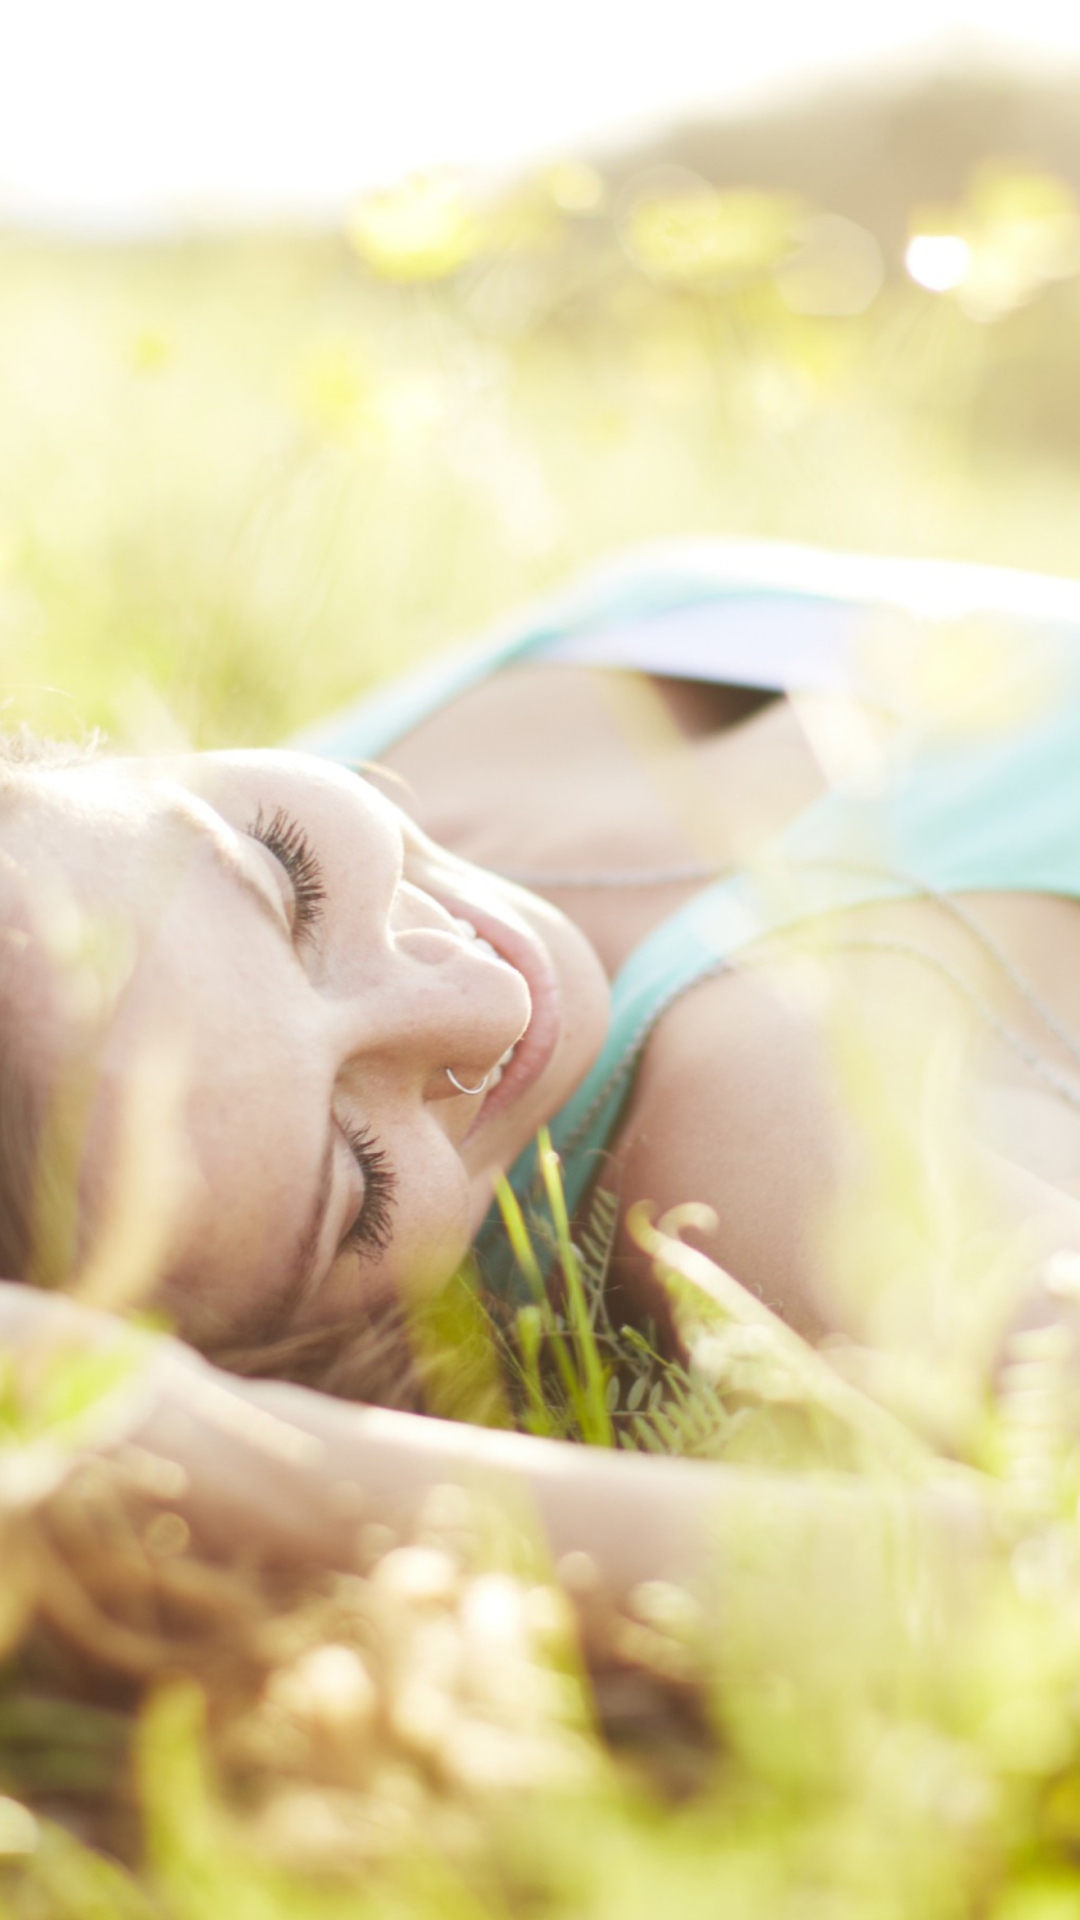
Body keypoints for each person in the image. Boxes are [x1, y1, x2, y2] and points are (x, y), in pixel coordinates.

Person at [3, 537, 1080, 1592]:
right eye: (365, 1185)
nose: (488, 1001)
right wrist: (192, 1442)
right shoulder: (754, 1133)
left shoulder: (383, 760)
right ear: (290, 1358)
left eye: (293, 879)